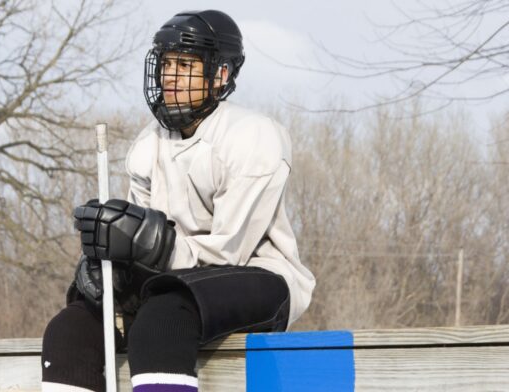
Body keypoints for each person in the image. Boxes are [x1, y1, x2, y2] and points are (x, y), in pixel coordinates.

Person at [41, 10, 316, 392]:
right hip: (169, 285)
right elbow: (149, 253)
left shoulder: (253, 139)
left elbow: (229, 253)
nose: (170, 76)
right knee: (70, 327)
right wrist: (114, 264)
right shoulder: (146, 145)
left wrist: (151, 244)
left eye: (185, 64)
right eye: (167, 63)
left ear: (220, 74)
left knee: (163, 317)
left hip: (261, 277)